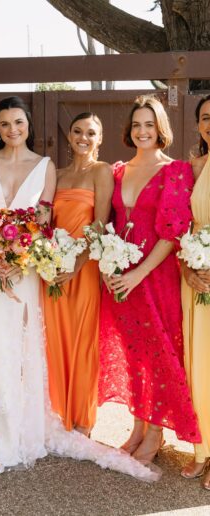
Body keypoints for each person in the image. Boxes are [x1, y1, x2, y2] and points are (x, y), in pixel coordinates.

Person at [0, 96, 159, 481]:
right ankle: (15, 430)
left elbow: (96, 224)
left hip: (63, 270)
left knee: (68, 344)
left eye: (18, 122)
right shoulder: (35, 168)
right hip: (29, 268)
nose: (12, 129)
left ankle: (77, 421)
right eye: (5, 123)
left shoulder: (58, 169)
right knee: (38, 347)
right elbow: (6, 219)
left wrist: (62, 263)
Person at [99, 95, 201, 464]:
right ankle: (139, 425)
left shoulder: (176, 171)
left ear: (161, 130)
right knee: (134, 355)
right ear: (129, 130)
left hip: (155, 278)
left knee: (158, 353)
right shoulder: (117, 171)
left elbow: (173, 232)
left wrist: (139, 273)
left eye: (149, 125)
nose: (143, 131)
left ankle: (156, 432)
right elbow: (107, 225)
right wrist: (111, 269)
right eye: (137, 125)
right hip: (121, 280)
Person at [42, 112, 113, 435]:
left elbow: (100, 224)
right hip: (55, 268)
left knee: (83, 339)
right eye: (77, 131)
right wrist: (50, 260)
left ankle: (83, 418)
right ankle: (58, 413)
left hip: (83, 269)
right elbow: (46, 222)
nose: (83, 137)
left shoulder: (102, 172)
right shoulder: (56, 174)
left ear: (100, 139)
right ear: (69, 137)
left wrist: (77, 264)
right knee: (55, 339)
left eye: (91, 133)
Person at [180, 94, 210, 489]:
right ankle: (202, 448)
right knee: (198, 362)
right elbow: (180, 224)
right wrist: (188, 267)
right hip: (196, 276)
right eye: (205, 117)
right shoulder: (193, 167)